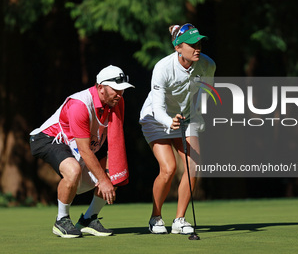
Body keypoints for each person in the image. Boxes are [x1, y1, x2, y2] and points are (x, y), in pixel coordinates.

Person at [30, 65, 134, 238]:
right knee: (73, 170)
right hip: (48, 139)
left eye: (122, 90)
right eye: (116, 89)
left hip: (78, 146)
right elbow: (85, 150)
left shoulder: (116, 102)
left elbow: (107, 146)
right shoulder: (80, 104)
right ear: (100, 87)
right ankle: (61, 220)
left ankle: (88, 219)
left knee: (114, 166)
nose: (120, 94)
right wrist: (102, 180)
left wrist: (109, 176)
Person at [139, 23, 216, 234]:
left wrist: (198, 117)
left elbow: (204, 94)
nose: (197, 47)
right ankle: (155, 217)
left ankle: (179, 220)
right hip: (155, 119)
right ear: (178, 48)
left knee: (193, 167)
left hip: (186, 117)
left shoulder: (207, 65)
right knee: (169, 168)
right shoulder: (162, 68)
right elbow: (157, 107)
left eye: (199, 42)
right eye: (191, 44)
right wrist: (168, 121)